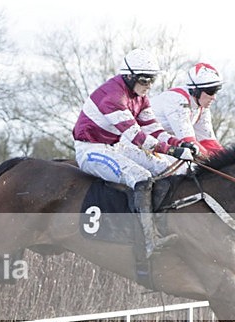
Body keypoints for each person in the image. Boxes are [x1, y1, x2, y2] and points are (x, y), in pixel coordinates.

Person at [73, 48, 198, 259]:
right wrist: (173, 150)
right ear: (129, 76)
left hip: (115, 145)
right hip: (90, 149)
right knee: (141, 178)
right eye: (144, 80)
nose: (148, 85)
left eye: (152, 80)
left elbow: (154, 129)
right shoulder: (113, 97)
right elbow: (138, 138)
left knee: (168, 168)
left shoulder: (140, 96)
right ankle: (149, 240)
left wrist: (181, 143)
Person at [151, 62, 224, 158]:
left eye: (216, 91)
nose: (214, 97)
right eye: (211, 92)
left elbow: (208, 141)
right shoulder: (177, 101)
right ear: (195, 91)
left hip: (163, 142)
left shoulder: (201, 105)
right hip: (142, 141)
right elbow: (188, 142)